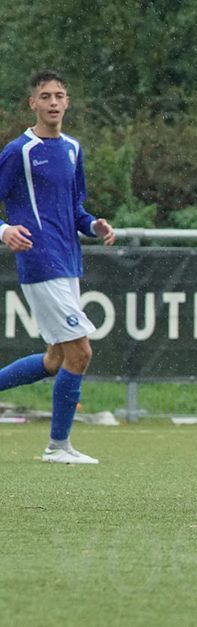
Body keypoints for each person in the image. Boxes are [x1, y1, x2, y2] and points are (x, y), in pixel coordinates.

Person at [0, 70, 115, 464]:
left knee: (56, 359)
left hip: (68, 262)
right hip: (39, 260)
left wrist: (94, 225)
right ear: (32, 103)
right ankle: (58, 447)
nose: (52, 102)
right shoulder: (20, 151)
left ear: (67, 102)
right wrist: (3, 230)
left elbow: (76, 209)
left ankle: (58, 446)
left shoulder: (72, 149)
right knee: (80, 353)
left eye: (59, 95)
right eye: (45, 96)